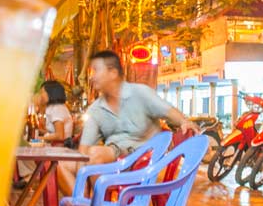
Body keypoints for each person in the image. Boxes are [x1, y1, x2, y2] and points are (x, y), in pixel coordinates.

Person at [56, 49, 199, 196]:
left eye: (96, 70)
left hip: (144, 161)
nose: (92, 77)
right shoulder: (96, 109)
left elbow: (167, 111)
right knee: (61, 165)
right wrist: (81, 173)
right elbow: (84, 150)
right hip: (115, 157)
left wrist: (184, 121)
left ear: (112, 73)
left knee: (94, 155)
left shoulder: (140, 93)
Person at [15, 81, 75, 187]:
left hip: (57, 148)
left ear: (50, 93)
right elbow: (52, 132)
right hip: (53, 144)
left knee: (22, 145)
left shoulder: (56, 109)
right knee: (22, 143)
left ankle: (32, 176)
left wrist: (41, 137)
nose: (41, 95)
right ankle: (32, 175)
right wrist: (40, 132)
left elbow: (60, 135)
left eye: (43, 92)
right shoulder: (55, 108)